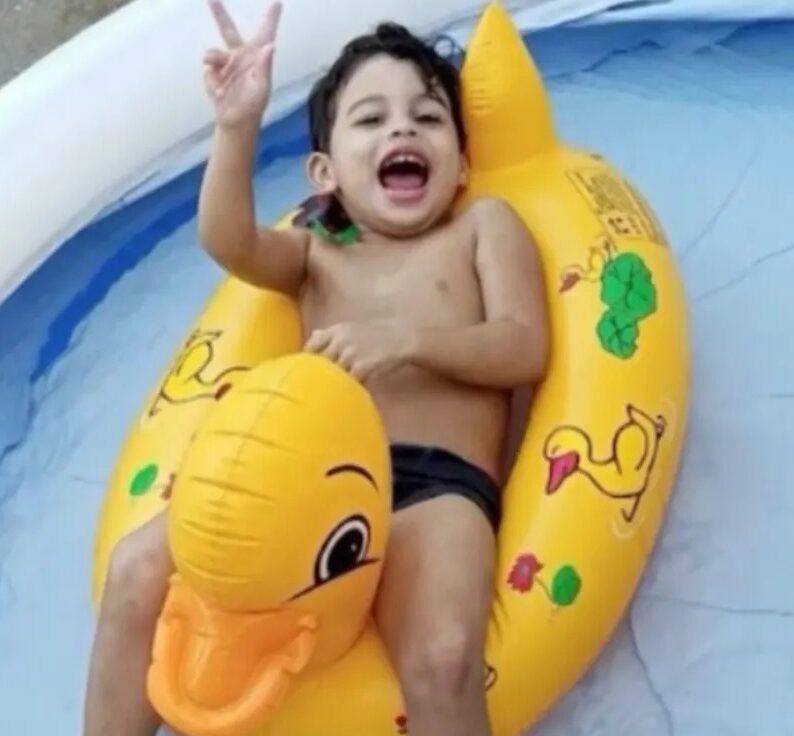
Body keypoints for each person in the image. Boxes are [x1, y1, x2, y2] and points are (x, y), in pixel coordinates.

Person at [82, 2, 549, 735]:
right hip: (299, 483)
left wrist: (407, 339)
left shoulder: (480, 230)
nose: (402, 131)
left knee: (443, 656)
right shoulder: (315, 249)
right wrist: (237, 125)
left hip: (433, 487)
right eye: (371, 119)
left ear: (461, 162)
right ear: (324, 171)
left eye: (428, 117)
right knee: (135, 569)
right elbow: (228, 241)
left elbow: (523, 346)